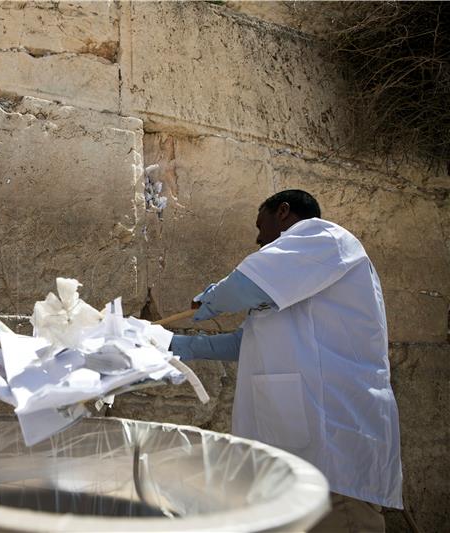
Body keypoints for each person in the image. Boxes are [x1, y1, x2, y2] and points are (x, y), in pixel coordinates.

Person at [170, 189, 402, 532]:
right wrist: (176, 345)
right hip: (304, 457)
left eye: (260, 225)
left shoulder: (324, 238)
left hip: (334, 452)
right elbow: (246, 342)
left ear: (283, 212)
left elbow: (244, 286)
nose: (258, 238)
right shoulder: (293, 278)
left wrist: (213, 298)